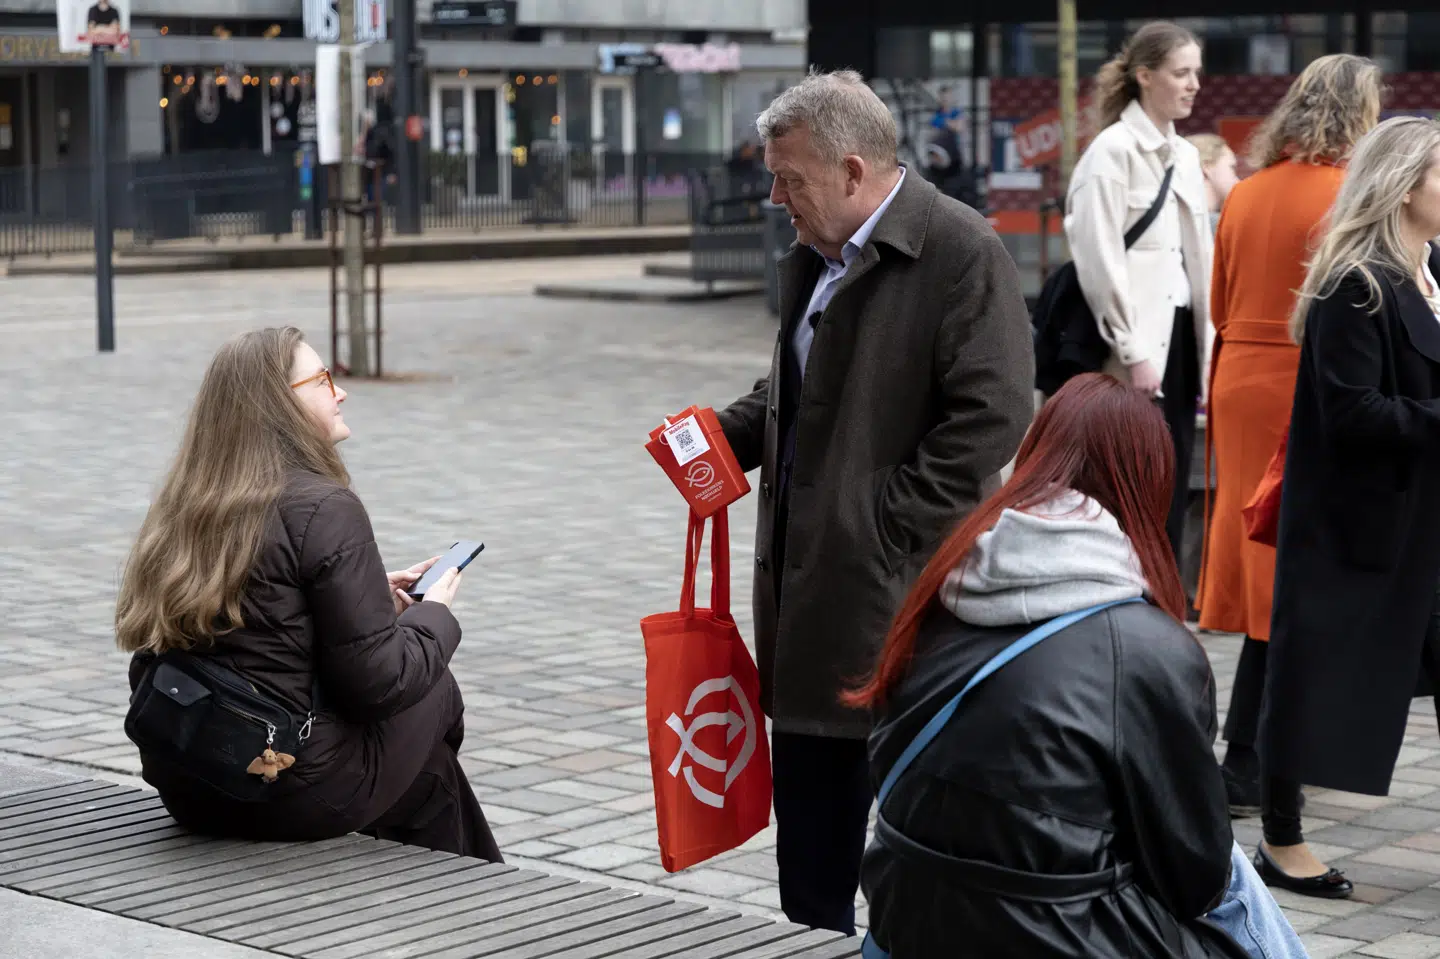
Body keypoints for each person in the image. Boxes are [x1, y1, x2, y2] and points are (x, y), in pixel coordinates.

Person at [711, 69, 1034, 935]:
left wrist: (877, 521)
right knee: (810, 854)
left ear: (853, 171)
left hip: (894, 605)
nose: (775, 196)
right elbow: (798, 390)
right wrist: (716, 436)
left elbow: (993, 418)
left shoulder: (962, 251)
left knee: (902, 845)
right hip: (809, 604)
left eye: (790, 178)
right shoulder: (820, 252)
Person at [852, 373, 1305, 959]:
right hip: (1052, 935)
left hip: (905, 918)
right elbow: (1193, 874)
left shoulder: (941, 590)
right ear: (1147, 485)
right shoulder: (1148, 648)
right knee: (1234, 878)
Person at [116, 327, 501, 862]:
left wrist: (371, 600)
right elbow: (379, 685)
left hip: (190, 778)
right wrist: (433, 613)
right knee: (433, 690)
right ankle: (469, 889)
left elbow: (262, 632)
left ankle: (445, 850)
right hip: (289, 789)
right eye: (322, 379)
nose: (339, 390)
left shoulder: (191, 499)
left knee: (429, 769)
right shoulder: (324, 507)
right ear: (278, 404)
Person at [1195, 54, 1382, 826]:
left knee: (1264, 568)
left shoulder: (1243, 192)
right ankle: (1256, 757)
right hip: (1308, 384)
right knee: (1298, 577)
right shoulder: (1351, 197)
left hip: (1241, 376)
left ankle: (1260, 753)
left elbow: (1219, 300)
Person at [1259, 116, 1440, 899]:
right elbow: (1352, 411)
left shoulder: (1429, 270)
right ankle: (1279, 837)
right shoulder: (1356, 281)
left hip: (1422, 512)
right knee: (1310, 673)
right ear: (1406, 188)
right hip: (1355, 518)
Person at [1065, 21, 1214, 562]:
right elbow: (1099, 259)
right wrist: (1132, 350)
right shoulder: (1112, 153)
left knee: (1169, 478)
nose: (1194, 84)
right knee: (1128, 480)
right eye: (1181, 73)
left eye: (1197, 72)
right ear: (1145, 76)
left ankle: (1164, 601)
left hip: (1181, 337)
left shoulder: (1187, 156)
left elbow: (1199, 257)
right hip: (1134, 348)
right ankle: (1128, 603)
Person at [1185, 133, 1240, 230]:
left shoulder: (1173, 218)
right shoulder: (1223, 227)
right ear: (1207, 167)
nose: (1238, 180)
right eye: (1232, 168)